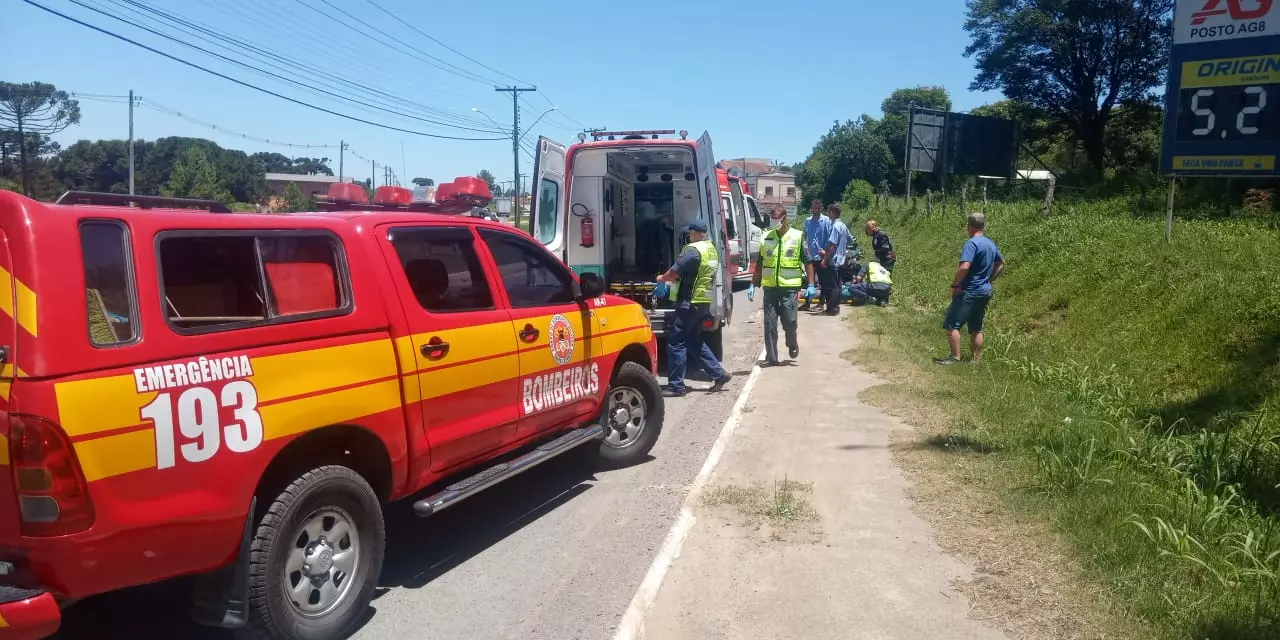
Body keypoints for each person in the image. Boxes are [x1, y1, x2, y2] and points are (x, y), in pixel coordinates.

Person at [655, 219, 733, 396]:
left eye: (690, 233)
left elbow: (674, 272)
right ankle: (719, 374)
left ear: (697, 233)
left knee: (676, 342)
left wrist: (662, 278)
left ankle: (676, 386)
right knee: (694, 341)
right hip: (703, 302)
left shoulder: (693, 251)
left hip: (689, 303)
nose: (689, 236)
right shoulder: (711, 250)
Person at [936, 212, 1005, 366]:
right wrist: (989, 279)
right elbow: (1000, 263)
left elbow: (964, 266)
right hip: (984, 291)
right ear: (983, 226)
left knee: (952, 324)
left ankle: (954, 357)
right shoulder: (990, 243)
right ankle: (976, 360)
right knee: (976, 327)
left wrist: (955, 285)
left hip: (969, 290)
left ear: (969, 227)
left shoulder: (972, 244)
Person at [749, 205, 803, 365]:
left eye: (776, 218)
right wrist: (753, 283)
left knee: (790, 321)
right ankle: (772, 358)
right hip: (770, 288)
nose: (774, 221)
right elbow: (760, 261)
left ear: (785, 217)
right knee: (770, 323)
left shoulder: (797, 236)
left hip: (789, 288)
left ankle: (792, 343)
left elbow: (806, 261)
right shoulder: (766, 236)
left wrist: (812, 284)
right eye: (771, 218)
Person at [819, 203, 853, 316]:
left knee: (832, 285)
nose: (828, 214)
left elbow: (832, 245)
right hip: (842, 260)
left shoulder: (835, 226)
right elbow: (850, 240)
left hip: (833, 260)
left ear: (832, 213)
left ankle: (832, 308)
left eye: (829, 212)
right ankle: (836, 307)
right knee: (838, 284)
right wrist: (842, 247)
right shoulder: (843, 225)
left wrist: (825, 258)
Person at [799, 198, 830, 311]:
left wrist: (826, 253)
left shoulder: (826, 220)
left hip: (821, 256)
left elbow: (829, 237)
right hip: (810, 255)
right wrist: (805, 249)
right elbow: (805, 236)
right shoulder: (808, 221)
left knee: (823, 281)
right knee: (809, 280)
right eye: (814, 208)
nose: (816, 210)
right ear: (811, 209)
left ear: (821, 208)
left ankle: (821, 303)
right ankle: (807, 303)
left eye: (818, 208)